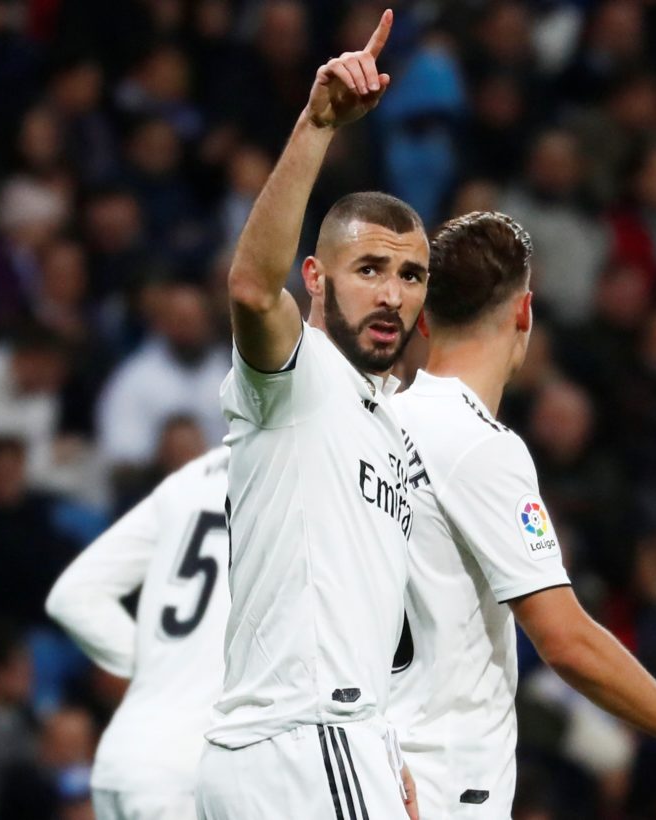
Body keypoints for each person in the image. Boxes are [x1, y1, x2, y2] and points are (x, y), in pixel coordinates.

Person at [389, 211, 656, 819]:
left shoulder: (378, 423)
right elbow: (566, 640)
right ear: (524, 312)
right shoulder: (479, 445)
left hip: (374, 765)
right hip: (442, 779)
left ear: (424, 318)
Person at [196, 10, 426, 819]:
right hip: (306, 743)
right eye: (370, 268)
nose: (392, 294)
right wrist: (317, 124)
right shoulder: (298, 375)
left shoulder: (386, 427)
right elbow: (252, 290)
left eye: (410, 275)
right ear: (317, 279)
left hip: (324, 746)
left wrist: (386, 746)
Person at [46, 446, 230, 820]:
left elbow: (73, 596)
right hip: (191, 771)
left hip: (124, 756)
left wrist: (159, 669)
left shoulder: (192, 477)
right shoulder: (301, 475)